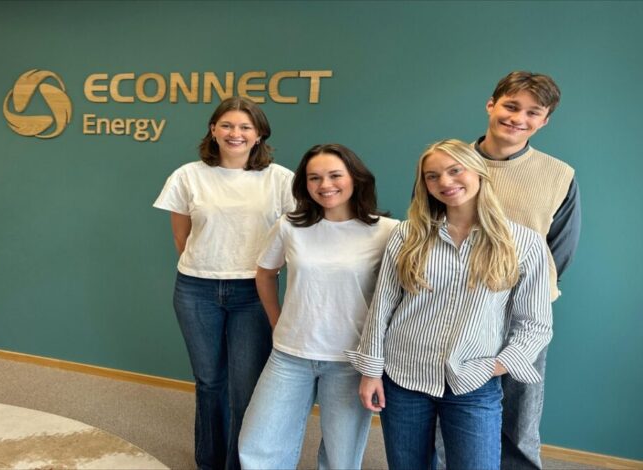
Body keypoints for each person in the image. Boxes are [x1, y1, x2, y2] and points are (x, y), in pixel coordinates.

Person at [347, 139, 553, 470]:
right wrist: (371, 371)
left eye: (454, 170)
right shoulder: (408, 235)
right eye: (432, 176)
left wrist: (495, 366)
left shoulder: (523, 242)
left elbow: (534, 323)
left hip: (473, 383)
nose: (445, 182)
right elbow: (382, 306)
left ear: (479, 172)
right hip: (403, 378)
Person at [153, 97, 295, 470]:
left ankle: (238, 464)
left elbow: (296, 237)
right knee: (209, 383)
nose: (236, 133)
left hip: (253, 292)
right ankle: (209, 462)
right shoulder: (187, 176)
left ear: (259, 133)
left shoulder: (280, 179)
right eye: (227, 125)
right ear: (213, 130)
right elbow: (181, 239)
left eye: (245, 127)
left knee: (245, 389)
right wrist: (210, 264)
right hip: (196, 290)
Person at [238, 144, 398, 470]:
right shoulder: (290, 226)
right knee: (258, 445)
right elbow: (265, 273)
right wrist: (276, 320)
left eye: (335, 175)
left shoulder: (387, 232)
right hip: (289, 355)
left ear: (355, 178)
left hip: (351, 360)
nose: (325, 185)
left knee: (341, 459)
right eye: (314, 178)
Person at [476, 71, 581, 470]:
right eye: (510, 106)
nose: (518, 118)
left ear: (544, 120)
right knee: (454, 407)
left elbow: (560, 249)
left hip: (524, 310)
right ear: (492, 104)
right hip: (453, 306)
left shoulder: (560, 175)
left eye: (532, 112)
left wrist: (530, 295)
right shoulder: (452, 163)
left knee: (520, 414)